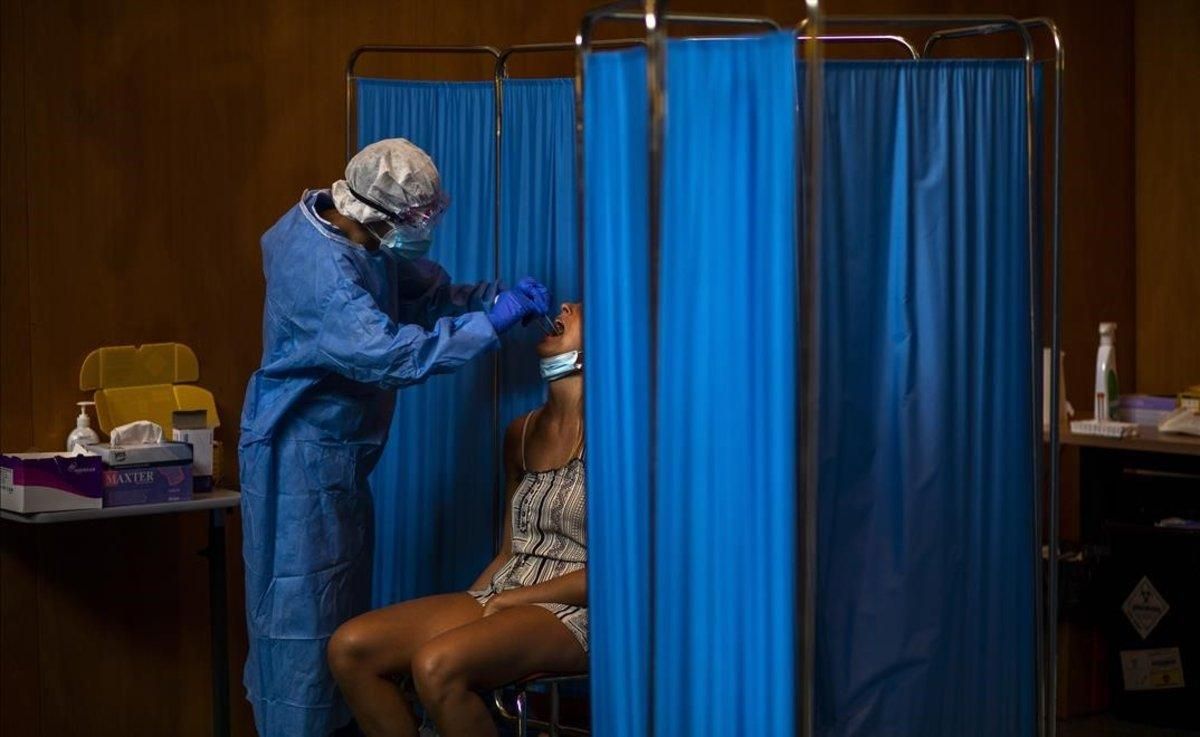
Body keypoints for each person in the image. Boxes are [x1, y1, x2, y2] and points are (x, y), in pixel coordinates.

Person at [239, 138, 551, 737]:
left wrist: (490, 299)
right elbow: (390, 356)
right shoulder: (323, 275)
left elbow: (422, 294)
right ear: (379, 217)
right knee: (299, 625)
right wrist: (493, 321)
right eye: (416, 221)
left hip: (339, 457)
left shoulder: (356, 233)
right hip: (298, 458)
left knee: (337, 613)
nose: (423, 233)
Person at [327, 303, 588, 737]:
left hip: (579, 610)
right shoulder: (520, 434)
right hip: (508, 588)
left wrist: (508, 604)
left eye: (582, 309)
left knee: (436, 665)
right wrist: (473, 606)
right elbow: (511, 550)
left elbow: (614, 577)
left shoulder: (621, 438)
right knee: (350, 649)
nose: (564, 306)